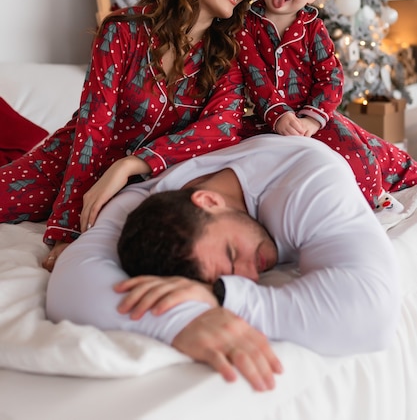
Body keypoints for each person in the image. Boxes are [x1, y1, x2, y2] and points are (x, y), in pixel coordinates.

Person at [46, 134, 401, 392]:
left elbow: (373, 313)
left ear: (209, 201)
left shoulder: (307, 183)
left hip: (345, 148)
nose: (251, 277)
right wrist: (184, 318)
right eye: (229, 275)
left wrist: (228, 298)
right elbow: (71, 284)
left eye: (232, 253)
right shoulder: (141, 200)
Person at [0, 0, 257, 271]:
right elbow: (92, 131)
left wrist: (131, 165)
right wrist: (66, 229)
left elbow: (221, 129)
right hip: (66, 166)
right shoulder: (123, 30)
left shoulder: (226, 58)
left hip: (138, 185)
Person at [237, 0, 417, 212]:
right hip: (266, 119)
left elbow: (331, 77)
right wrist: (277, 114)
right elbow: (254, 74)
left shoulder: (313, 28)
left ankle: (376, 201)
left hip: (312, 116)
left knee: (363, 150)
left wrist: (312, 119)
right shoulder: (247, 23)